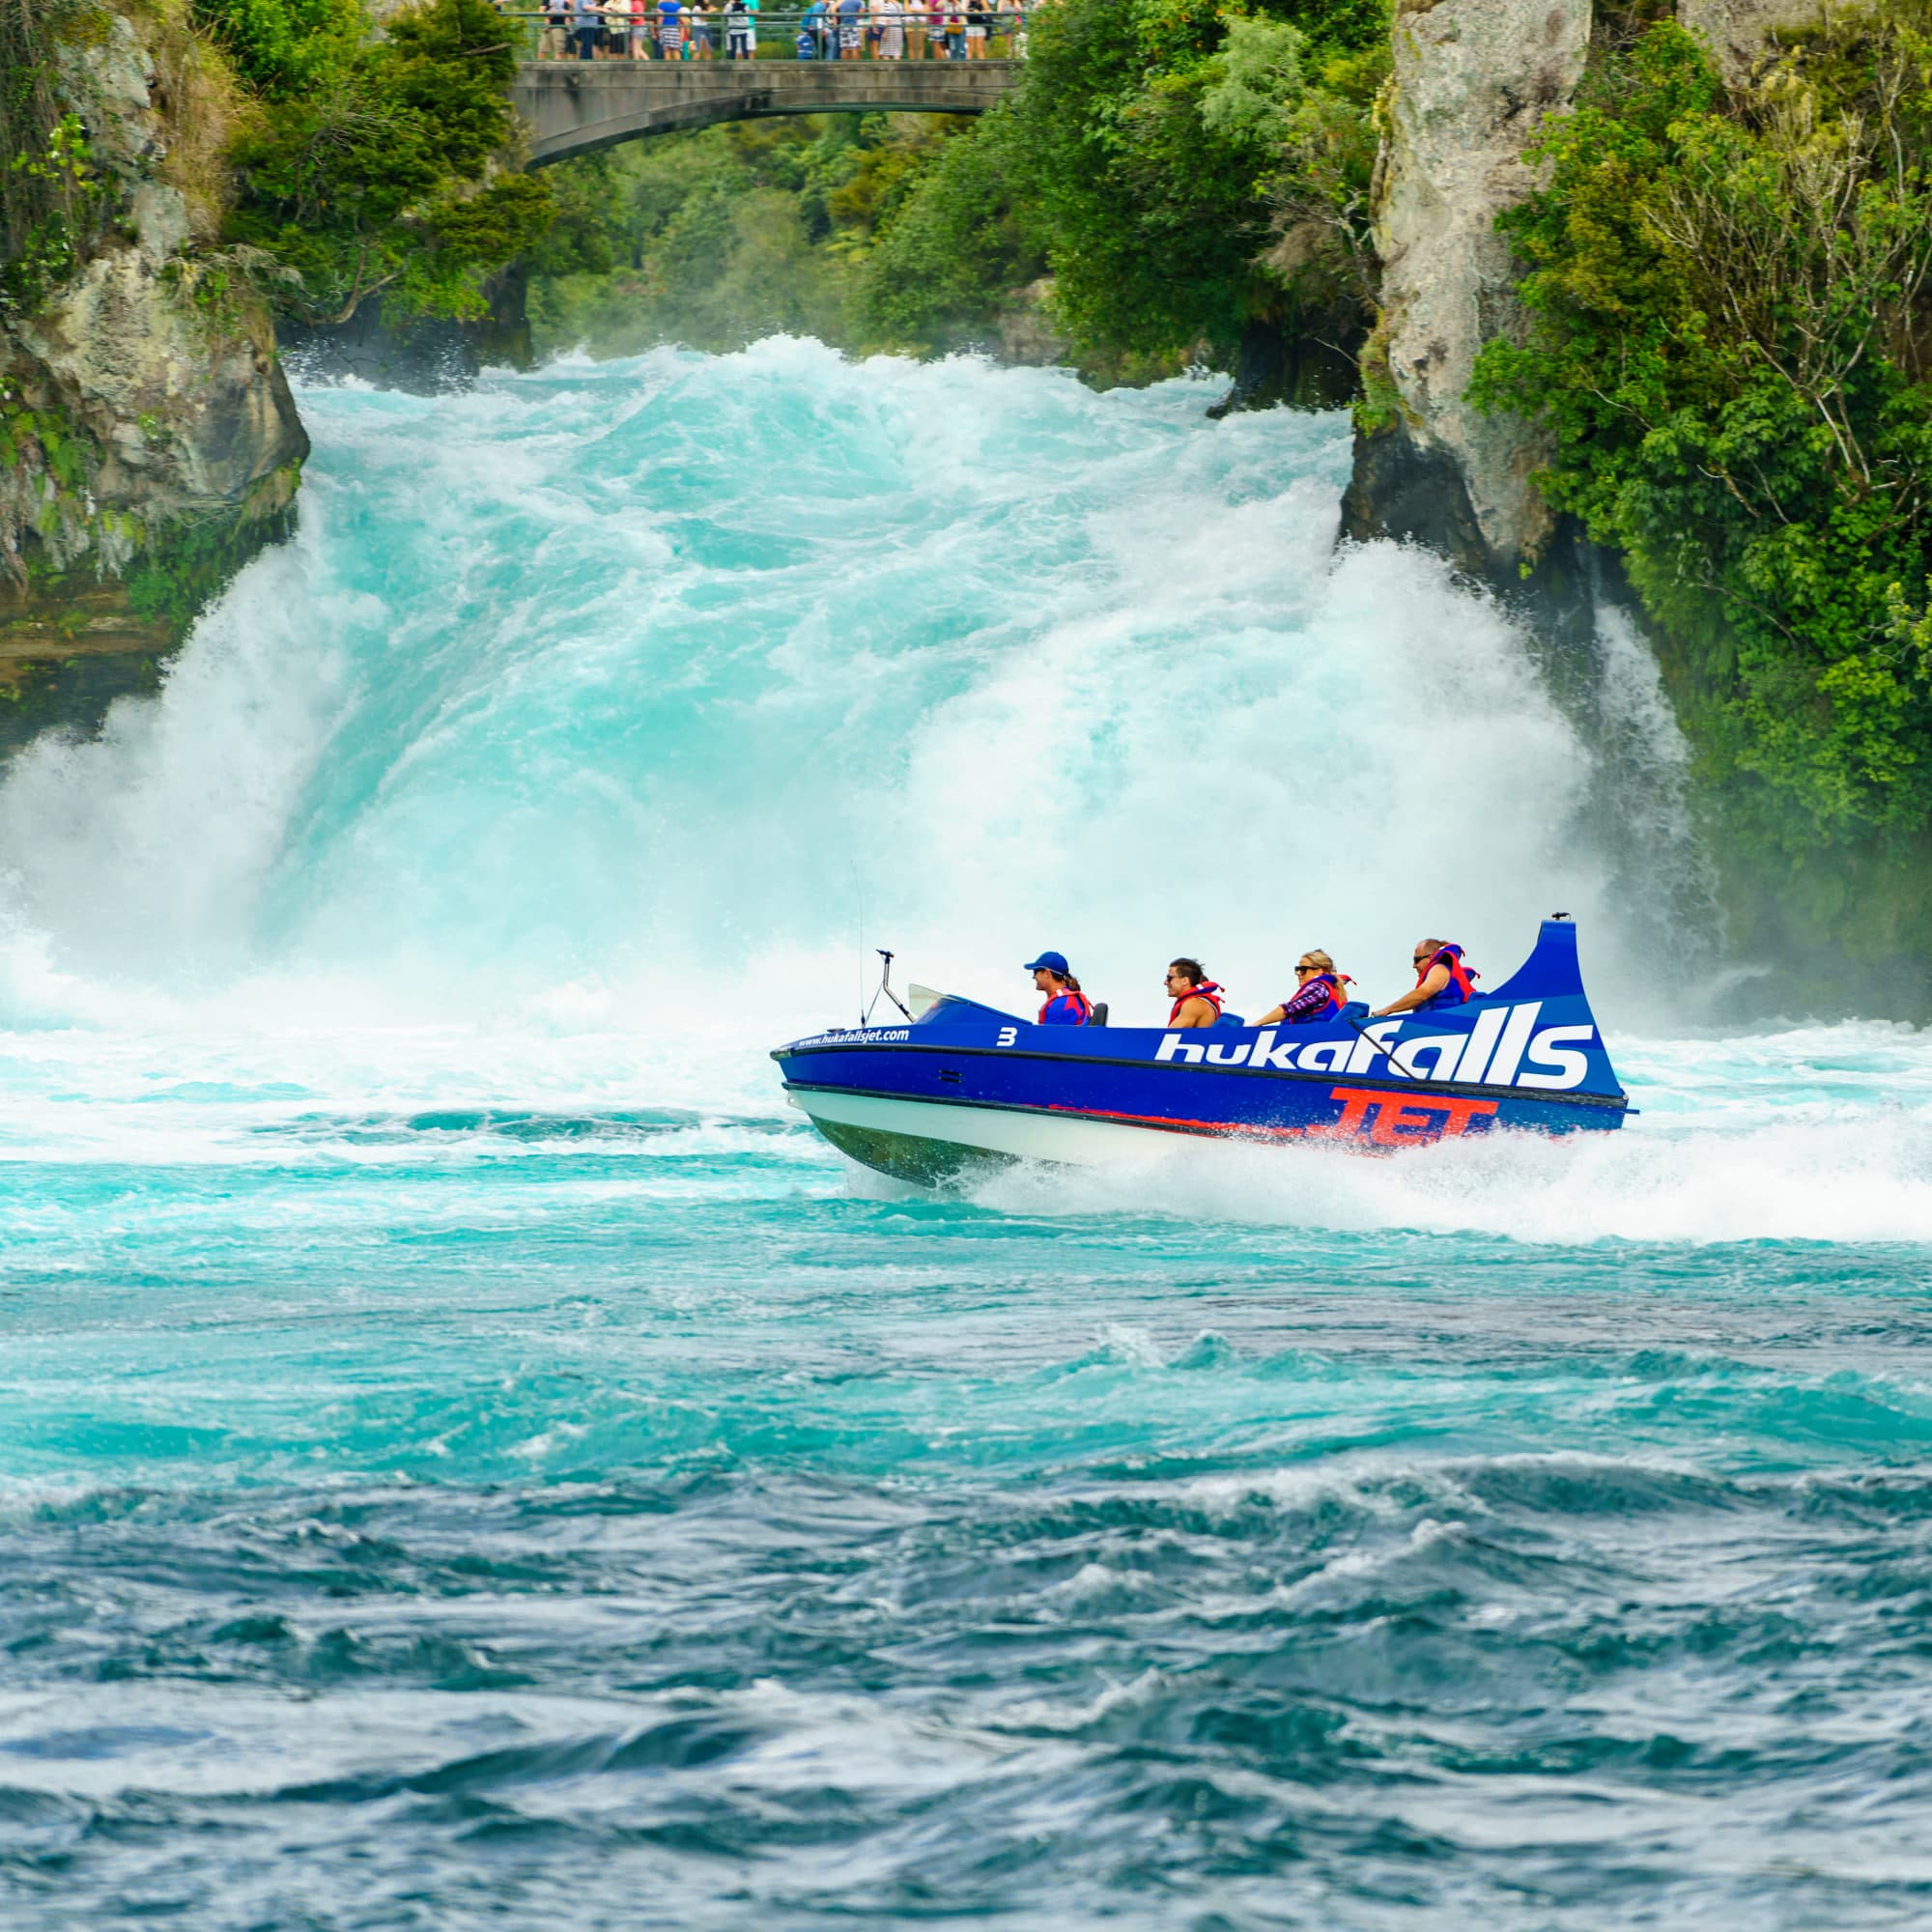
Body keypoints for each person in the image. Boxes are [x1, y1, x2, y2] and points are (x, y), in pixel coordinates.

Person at [1373, 938, 1479, 1018]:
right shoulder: (1446, 971)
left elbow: (1422, 994)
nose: (1414, 966)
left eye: (1416, 960)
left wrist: (1387, 1010)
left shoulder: (1440, 968)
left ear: (1431, 957)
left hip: (1445, 1028)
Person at [1254, 950, 1351, 1027]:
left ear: (1321, 971)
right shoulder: (1334, 991)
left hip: (1310, 1037)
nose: (1298, 973)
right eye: (1297, 969)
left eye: (1303, 969)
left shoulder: (1319, 988)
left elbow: (1289, 1009)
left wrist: (1256, 1024)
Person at [1026, 951, 1093, 1026]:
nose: (1033, 977)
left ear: (1046, 973)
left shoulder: (1060, 1004)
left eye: (1035, 972)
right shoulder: (1065, 999)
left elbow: (1049, 1034)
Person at [1163, 957, 1224, 1030]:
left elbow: (1171, 1034)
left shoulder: (1193, 1003)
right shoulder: (1197, 1001)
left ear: (1185, 980)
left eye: (1169, 978)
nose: (1165, 982)